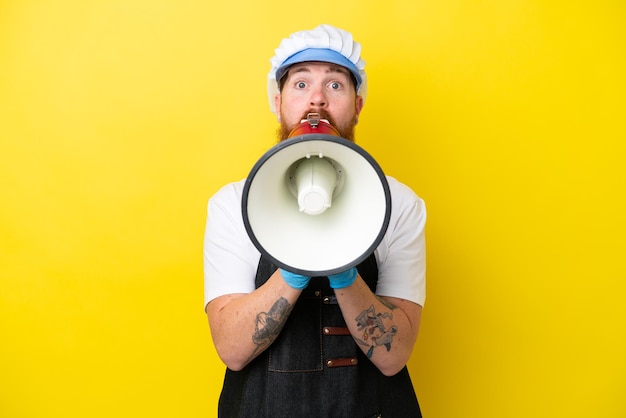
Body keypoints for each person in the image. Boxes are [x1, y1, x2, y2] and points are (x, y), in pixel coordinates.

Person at [204, 24, 426, 417]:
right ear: (278, 102)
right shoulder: (232, 204)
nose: (317, 101)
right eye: (301, 84)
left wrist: (342, 269)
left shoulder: (400, 204)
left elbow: (394, 356)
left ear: (357, 105)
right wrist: (296, 264)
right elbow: (232, 351)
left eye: (335, 85)